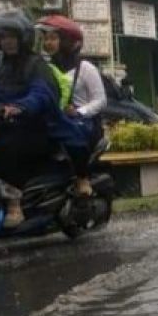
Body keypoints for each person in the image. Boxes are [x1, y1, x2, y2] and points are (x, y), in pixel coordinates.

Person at [0, 10, 65, 228]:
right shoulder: (0, 65)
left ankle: (14, 203)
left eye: (11, 36)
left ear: (23, 38)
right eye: (3, 37)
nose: (7, 42)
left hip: (36, 127)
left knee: (3, 147)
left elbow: (42, 94)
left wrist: (22, 107)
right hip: (8, 124)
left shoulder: (35, 64)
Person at [36, 14, 105, 198]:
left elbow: (100, 100)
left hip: (84, 124)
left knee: (72, 133)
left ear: (67, 41)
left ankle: (82, 178)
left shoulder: (86, 68)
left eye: (53, 38)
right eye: (45, 39)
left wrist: (79, 111)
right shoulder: (45, 68)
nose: (48, 43)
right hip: (55, 119)